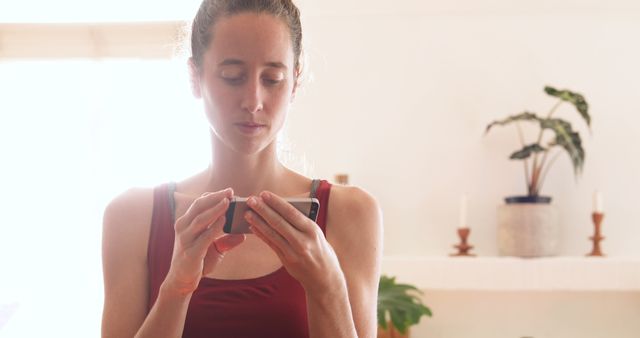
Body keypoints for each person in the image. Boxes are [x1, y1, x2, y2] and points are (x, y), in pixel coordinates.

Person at [101, 0, 383, 337]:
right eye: (232, 77)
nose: (253, 101)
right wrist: (176, 288)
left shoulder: (351, 213)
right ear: (194, 77)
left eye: (273, 78)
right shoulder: (132, 216)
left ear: (294, 81)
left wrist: (328, 288)